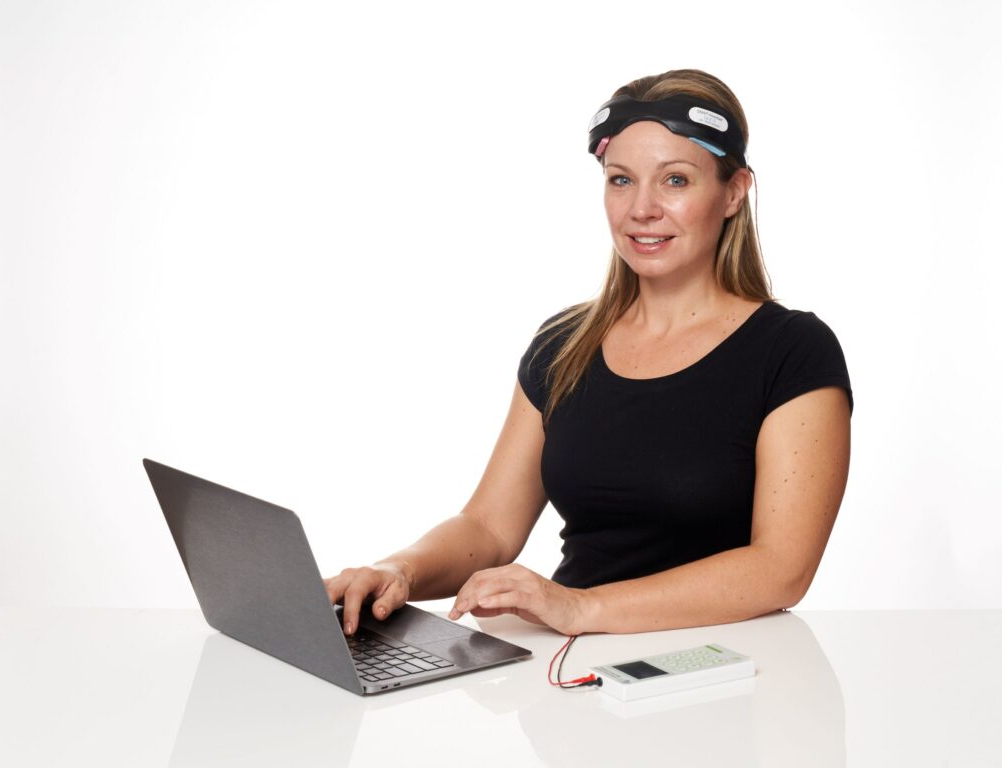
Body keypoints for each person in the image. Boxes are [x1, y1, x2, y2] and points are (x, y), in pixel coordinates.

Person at [325, 69, 852, 637]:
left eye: (675, 180)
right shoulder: (563, 345)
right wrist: (398, 570)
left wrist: (581, 607)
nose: (641, 209)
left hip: (722, 667)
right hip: (571, 666)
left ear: (733, 192)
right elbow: (489, 527)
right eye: (621, 180)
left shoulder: (792, 351)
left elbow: (781, 569)